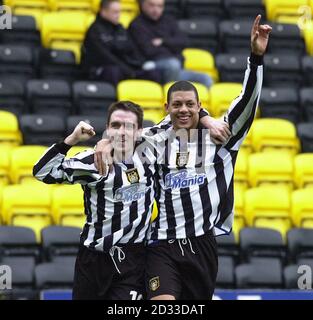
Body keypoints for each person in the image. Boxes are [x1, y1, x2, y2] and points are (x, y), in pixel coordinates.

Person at [95, 15, 272, 300]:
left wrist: (256, 57)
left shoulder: (221, 138)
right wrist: (103, 144)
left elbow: (247, 101)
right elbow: (121, 136)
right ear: (166, 107)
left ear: (200, 105)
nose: (184, 110)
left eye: (191, 105)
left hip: (203, 247)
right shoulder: (154, 139)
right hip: (161, 245)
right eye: (177, 105)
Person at [33, 101, 159, 300]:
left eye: (129, 127)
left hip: (134, 260)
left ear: (140, 131)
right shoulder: (93, 162)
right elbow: (42, 172)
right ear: (107, 129)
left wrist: (205, 117)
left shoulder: (152, 156)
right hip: (93, 259)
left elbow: (180, 116)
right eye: (116, 126)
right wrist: (72, 139)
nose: (122, 132)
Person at [128, 0, 213, 87]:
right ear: (142, 5)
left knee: (206, 78)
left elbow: (183, 41)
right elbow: (148, 51)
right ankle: (172, 96)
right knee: (173, 64)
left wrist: (163, 41)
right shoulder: (136, 25)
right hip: (153, 68)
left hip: (176, 68)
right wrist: (172, 46)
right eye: (152, 5)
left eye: (160, 6)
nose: (156, 9)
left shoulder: (168, 21)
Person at [81, 0, 161, 85]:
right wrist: (127, 70)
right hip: (102, 69)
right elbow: (105, 56)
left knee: (153, 73)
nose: (118, 15)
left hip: (126, 68)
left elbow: (132, 50)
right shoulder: (94, 31)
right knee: (113, 72)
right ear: (103, 11)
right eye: (115, 12)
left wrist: (141, 64)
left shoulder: (120, 29)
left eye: (119, 12)